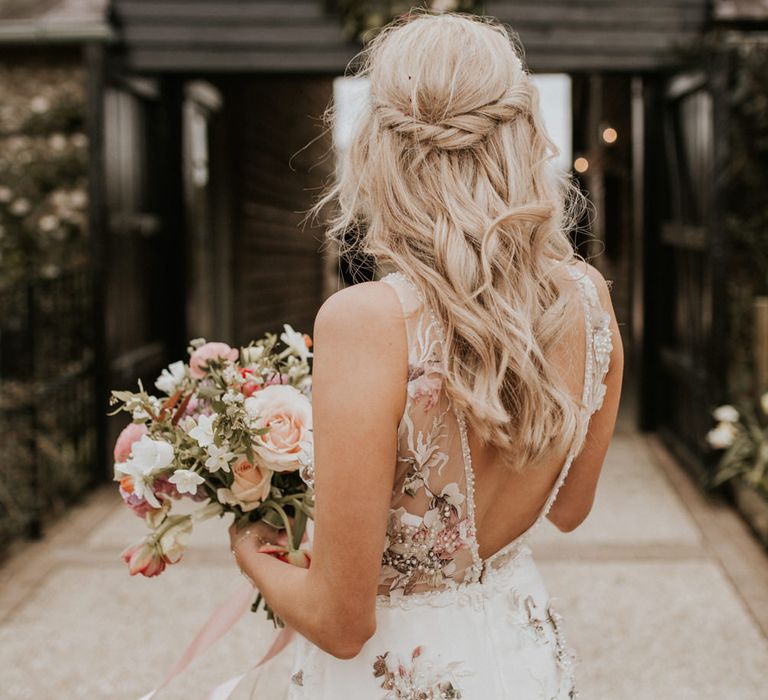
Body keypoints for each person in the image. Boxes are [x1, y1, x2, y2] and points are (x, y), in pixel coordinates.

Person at [229, 10, 623, 699]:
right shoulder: (587, 301)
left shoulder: (368, 321)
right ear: (523, 138)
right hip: (521, 656)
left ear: (379, 146)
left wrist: (247, 549)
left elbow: (341, 622)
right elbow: (569, 509)